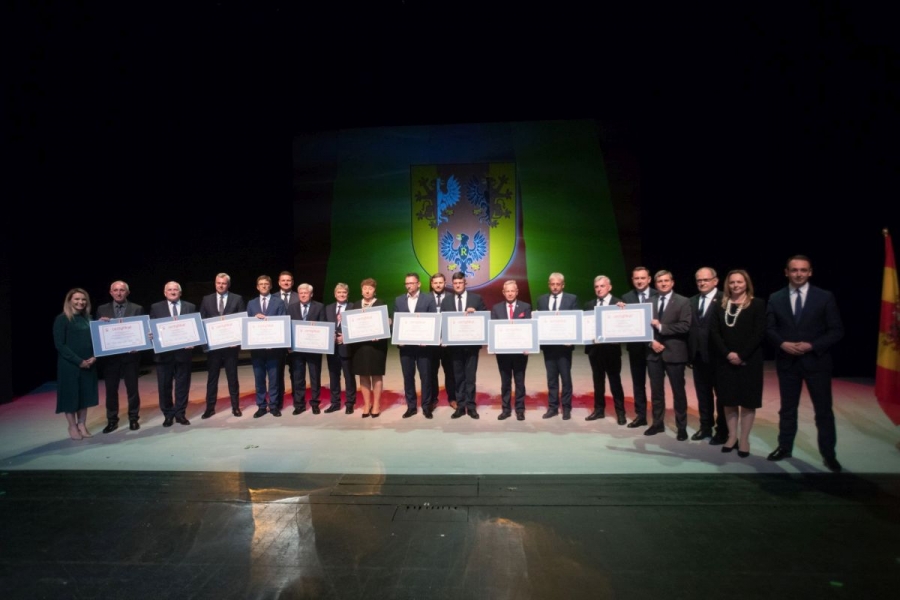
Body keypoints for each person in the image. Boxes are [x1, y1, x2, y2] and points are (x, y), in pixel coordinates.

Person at [766, 255, 844, 472]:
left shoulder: (824, 297)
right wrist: (782, 343)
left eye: (803, 270)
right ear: (786, 272)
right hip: (788, 362)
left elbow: (836, 330)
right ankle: (785, 447)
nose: (798, 274)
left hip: (817, 362)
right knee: (787, 409)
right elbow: (769, 328)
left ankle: (828, 454)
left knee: (823, 411)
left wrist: (812, 345)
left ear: (810, 272)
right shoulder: (776, 297)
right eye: (794, 270)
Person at [710, 270, 766, 458]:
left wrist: (741, 355)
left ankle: (744, 439)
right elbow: (714, 332)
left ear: (746, 283)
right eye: (732, 282)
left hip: (749, 361)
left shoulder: (757, 304)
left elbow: (759, 333)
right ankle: (732, 436)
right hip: (725, 360)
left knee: (748, 402)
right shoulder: (720, 305)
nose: (735, 285)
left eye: (739, 282)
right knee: (729, 400)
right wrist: (727, 354)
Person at [645, 270, 692, 439]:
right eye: (660, 281)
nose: (663, 284)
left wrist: (661, 327)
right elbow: (642, 327)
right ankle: (657, 424)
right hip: (653, 353)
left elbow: (685, 326)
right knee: (656, 392)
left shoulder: (683, 301)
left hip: (675, 354)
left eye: (666, 281)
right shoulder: (648, 302)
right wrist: (651, 341)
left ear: (672, 282)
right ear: (655, 284)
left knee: (678, 392)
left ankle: (681, 427)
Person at [95, 280, 143, 433]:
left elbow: (141, 331)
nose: (119, 293)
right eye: (115, 290)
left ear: (127, 292)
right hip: (111, 358)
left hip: (131, 357)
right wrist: (99, 324)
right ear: (111, 292)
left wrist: (140, 344)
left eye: (122, 290)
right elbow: (98, 334)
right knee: (111, 390)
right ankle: (112, 420)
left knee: (132, 389)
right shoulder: (102, 309)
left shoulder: (137, 308)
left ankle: (133, 418)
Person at [149, 281, 197, 427]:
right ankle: (168, 414)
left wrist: (194, 340)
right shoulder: (156, 307)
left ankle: (180, 413)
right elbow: (151, 328)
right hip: (164, 355)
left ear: (180, 292)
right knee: (164, 386)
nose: (173, 291)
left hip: (183, 354)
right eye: (169, 290)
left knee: (183, 385)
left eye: (175, 289)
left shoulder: (190, 307)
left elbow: (195, 328)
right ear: (165, 293)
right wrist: (151, 335)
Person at [688, 267, 727, 443]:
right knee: (703, 395)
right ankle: (705, 427)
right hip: (698, 356)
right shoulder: (692, 301)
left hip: (719, 357)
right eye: (699, 280)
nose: (702, 283)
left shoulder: (725, 299)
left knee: (722, 396)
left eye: (706, 279)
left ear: (715, 281)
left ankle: (722, 430)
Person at [54, 288, 99, 440]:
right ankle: (72, 426)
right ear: (69, 301)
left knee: (85, 395)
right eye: (77, 299)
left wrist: (94, 357)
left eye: (83, 299)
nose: (81, 302)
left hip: (89, 363)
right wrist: (78, 361)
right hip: (70, 365)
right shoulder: (62, 319)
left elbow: (96, 340)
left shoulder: (89, 319)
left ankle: (82, 424)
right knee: (70, 396)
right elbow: (60, 345)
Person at [441, 272, 487, 419]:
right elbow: (443, 322)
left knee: (470, 377)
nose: (458, 285)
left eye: (460, 283)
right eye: (455, 283)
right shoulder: (446, 301)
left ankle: (471, 406)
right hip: (454, 347)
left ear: (465, 283)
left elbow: (485, 317)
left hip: (471, 346)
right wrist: (443, 338)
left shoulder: (476, 298)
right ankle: (461, 407)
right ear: (452, 284)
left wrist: (476, 312)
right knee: (458, 377)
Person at [199, 273, 246, 418]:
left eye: (224, 283)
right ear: (215, 284)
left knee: (232, 378)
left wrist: (237, 340)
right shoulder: (206, 299)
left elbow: (242, 322)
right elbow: (202, 321)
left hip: (231, 348)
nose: (220, 285)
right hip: (214, 348)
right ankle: (210, 408)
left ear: (228, 284)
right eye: (218, 283)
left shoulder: (237, 298)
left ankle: (235, 407)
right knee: (212, 378)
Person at [536, 272, 579, 420]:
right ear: (549, 285)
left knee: (566, 378)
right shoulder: (541, 300)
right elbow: (539, 322)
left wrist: (572, 338)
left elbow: (575, 321)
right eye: (552, 284)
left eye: (558, 284)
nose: (555, 287)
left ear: (563, 285)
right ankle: (553, 407)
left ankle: (566, 408)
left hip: (564, 347)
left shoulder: (571, 299)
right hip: (548, 347)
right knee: (552, 379)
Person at [584, 275, 626, 425]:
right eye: (596, 286)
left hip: (612, 350)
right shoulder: (589, 305)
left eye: (602, 286)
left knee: (615, 382)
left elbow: (624, 325)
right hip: (595, 351)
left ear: (609, 287)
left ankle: (620, 412)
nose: (599, 289)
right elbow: (585, 326)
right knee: (598, 382)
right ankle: (599, 410)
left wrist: (623, 311)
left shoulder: (618, 304)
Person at [394, 273, 436, 418]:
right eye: (406, 283)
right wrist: (397, 337)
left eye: (411, 283)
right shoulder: (399, 300)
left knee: (426, 377)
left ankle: (426, 406)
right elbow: (397, 321)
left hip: (424, 347)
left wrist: (428, 339)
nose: (409, 286)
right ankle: (411, 407)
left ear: (418, 284)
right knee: (408, 377)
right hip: (405, 347)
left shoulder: (429, 299)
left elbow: (433, 320)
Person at [621, 267, 659, 427]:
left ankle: (658, 419)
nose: (639, 281)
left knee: (656, 384)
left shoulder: (658, 295)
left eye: (643, 278)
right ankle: (641, 416)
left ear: (649, 279)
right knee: (638, 383)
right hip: (635, 348)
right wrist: (619, 311)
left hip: (654, 348)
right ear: (632, 280)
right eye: (636, 278)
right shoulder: (626, 297)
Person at [246, 275, 286, 418]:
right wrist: (253, 319)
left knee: (274, 379)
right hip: (257, 349)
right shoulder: (251, 303)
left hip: (274, 349)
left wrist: (274, 341)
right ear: (257, 287)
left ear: (270, 286)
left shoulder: (279, 302)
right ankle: (261, 406)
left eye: (266, 284)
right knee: (259, 379)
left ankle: (274, 406)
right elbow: (247, 324)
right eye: (261, 284)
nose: (263, 286)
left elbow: (282, 323)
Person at [491, 280, 531, 420]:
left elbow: (529, 328)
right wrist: (493, 345)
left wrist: (528, 345)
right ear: (503, 292)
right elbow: (493, 329)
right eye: (507, 291)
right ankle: (506, 409)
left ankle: (520, 409)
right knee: (505, 382)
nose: (510, 293)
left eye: (512, 291)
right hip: (503, 352)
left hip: (520, 352)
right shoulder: (496, 308)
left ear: (517, 292)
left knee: (520, 381)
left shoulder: (525, 307)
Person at [350, 278, 389, 417]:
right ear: (361, 290)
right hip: (360, 347)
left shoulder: (381, 304)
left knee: (376, 374)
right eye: (365, 288)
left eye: (370, 288)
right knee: (363, 374)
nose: (367, 291)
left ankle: (376, 404)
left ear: (374, 290)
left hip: (376, 346)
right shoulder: (355, 305)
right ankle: (367, 404)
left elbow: (386, 323)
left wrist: (384, 327)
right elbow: (351, 325)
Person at [288, 283, 326, 414]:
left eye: (306, 293)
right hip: (297, 350)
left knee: (315, 377)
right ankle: (299, 404)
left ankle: (315, 403)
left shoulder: (319, 307)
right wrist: (288, 344)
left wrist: (318, 327)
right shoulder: (291, 307)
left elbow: (324, 325)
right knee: (298, 377)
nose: (303, 295)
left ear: (311, 294)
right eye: (301, 293)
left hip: (314, 349)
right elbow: (288, 327)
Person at [324, 283, 356, 414]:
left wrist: (345, 337)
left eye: (344, 292)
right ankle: (335, 403)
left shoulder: (353, 307)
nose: (341, 294)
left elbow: (357, 328)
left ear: (347, 294)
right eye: (339, 292)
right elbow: (324, 325)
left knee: (349, 377)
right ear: (335, 294)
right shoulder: (328, 308)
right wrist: (328, 335)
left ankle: (350, 403)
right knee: (333, 377)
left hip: (347, 347)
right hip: (332, 348)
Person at [427, 272, 457, 411]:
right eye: (435, 283)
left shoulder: (452, 298)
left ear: (445, 283)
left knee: (450, 372)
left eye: (440, 282)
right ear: (431, 284)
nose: (438, 285)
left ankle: (453, 398)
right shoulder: (425, 298)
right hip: (430, 343)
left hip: (448, 342)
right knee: (431, 373)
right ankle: (433, 399)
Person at [276, 271, 299, 409]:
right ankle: (278, 399)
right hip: (278, 340)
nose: (286, 282)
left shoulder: (299, 296)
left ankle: (297, 398)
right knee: (277, 371)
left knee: (295, 370)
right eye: (283, 280)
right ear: (279, 282)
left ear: (292, 282)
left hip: (295, 339)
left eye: (288, 280)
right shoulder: (272, 297)